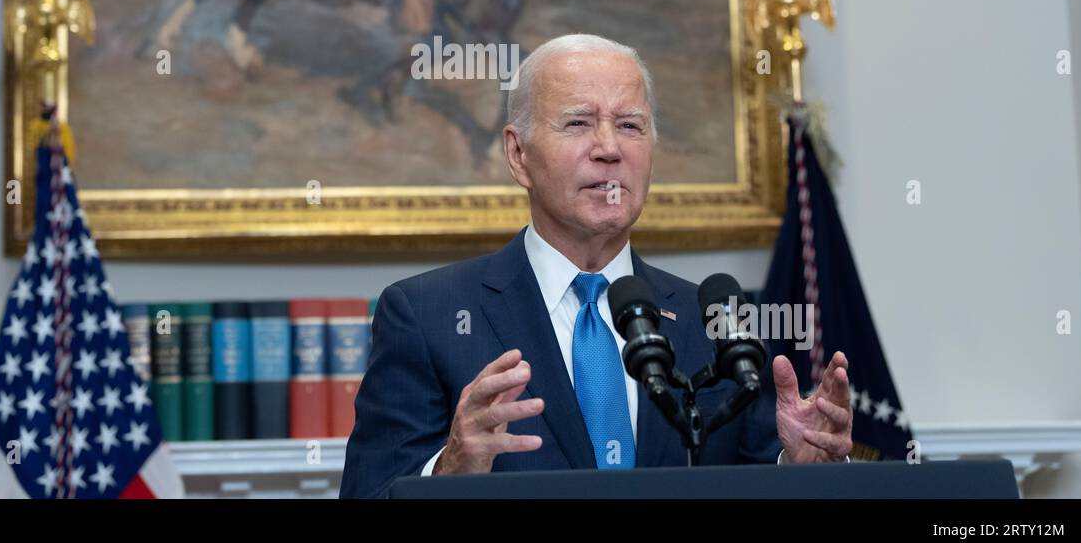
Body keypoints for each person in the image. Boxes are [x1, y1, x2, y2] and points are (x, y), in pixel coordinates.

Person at [339, 33, 853, 498]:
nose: (608, 149)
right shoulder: (427, 314)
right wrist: (452, 471)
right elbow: (369, 496)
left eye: (630, 126)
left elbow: (750, 480)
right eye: (578, 123)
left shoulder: (713, 315)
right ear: (518, 155)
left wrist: (799, 464)